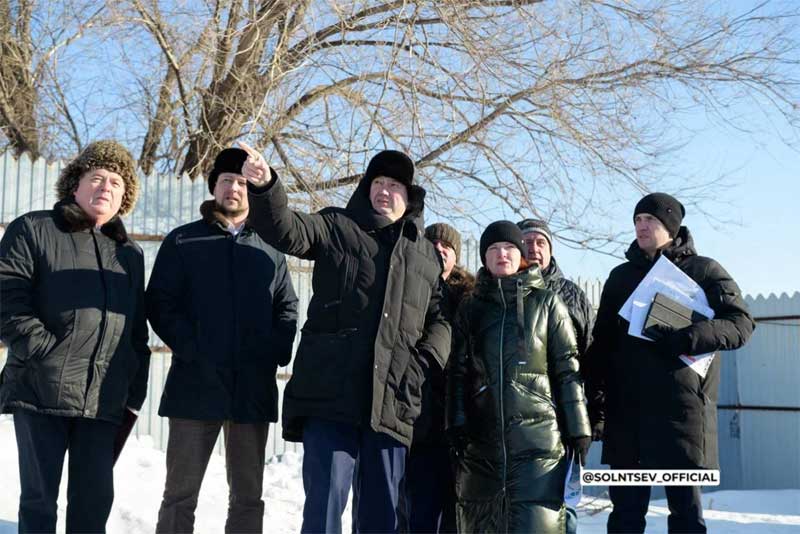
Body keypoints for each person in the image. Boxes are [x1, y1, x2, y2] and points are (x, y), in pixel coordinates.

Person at [243, 144, 451, 533]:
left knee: (381, 516)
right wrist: (266, 186)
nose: (384, 190)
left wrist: (424, 363)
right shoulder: (337, 226)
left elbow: (440, 318)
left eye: (394, 185)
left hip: (392, 402)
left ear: (410, 196)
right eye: (377, 182)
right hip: (330, 397)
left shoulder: (424, 255)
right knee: (323, 510)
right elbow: (286, 228)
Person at [0, 140, 151, 533]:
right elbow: (7, 295)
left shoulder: (129, 254)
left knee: (94, 503)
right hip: (40, 390)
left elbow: (136, 330)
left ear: (124, 197)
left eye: (116, 182)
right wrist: (43, 350)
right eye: (96, 177)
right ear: (74, 185)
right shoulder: (34, 229)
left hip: (103, 399)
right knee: (39, 504)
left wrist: (133, 389)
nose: (106, 187)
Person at [147, 147, 299, 533]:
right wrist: (193, 348)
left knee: (248, 498)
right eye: (227, 180)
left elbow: (287, 307)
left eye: (243, 182)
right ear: (214, 186)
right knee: (180, 495)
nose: (235, 188)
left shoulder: (270, 247)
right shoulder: (183, 241)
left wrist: (274, 353)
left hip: (252, 387)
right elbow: (161, 303)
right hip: (195, 384)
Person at [584, 193, 755, 533]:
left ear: (671, 226)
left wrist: (689, 337)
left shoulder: (705, 271)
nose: (641, 226)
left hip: (682, 416)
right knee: (626, 518)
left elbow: (741, 324)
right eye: (637, 220)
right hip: (628, 415)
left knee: (686, 518)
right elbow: (601, 344)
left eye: (650, 220)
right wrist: (596, 402)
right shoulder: (620, 277)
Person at [447, 220, 591, 533]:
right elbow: (457, 372)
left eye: (510, 248)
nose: (502, 254)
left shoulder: (548, 303)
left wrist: (578, 428)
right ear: (484, 257)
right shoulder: (470, 309)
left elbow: (568, 368)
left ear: (521, 255)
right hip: (482, 445)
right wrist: (456, 421)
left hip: (538, 445)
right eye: (494, 249)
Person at [517, 218, 597, 533]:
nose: (533, 249)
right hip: (517, 419)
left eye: (541, 242)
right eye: (526, 241)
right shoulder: (506, 292)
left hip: (562, 421)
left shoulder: (572, 295)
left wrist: (585, 421)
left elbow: (591, 359)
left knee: (562, 505)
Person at [401, 223, 474, 533]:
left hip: (457, 420)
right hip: (417, 418)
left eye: (448, 247)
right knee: (419, 510)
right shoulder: (405, 286)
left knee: (455, 514)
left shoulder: (469, 298)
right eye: (433, 243)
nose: (440, 249)